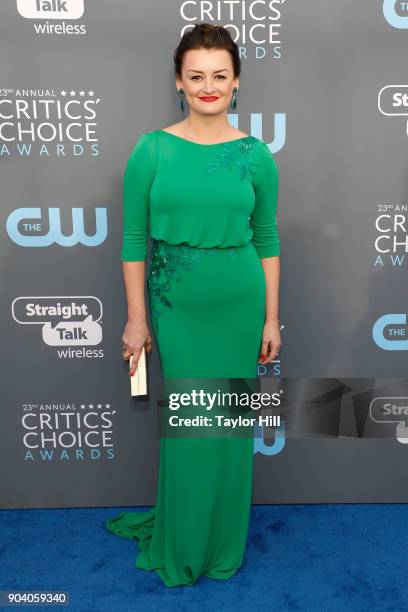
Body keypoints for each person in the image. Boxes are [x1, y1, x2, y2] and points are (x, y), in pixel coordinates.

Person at [105, 22, 281, 587]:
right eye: (196, 75)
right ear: (178, 81)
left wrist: (271, 316)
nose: (209, 86)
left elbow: (267, 239)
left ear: (236, 83)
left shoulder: (255, 156)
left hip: (238, 299)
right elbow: (135, 240)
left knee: (226, 430)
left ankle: (222, 543)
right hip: (175, 303)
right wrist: (135, 318)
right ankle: (182, 542)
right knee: (189, 424)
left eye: (220, 75)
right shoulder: (151, 149)